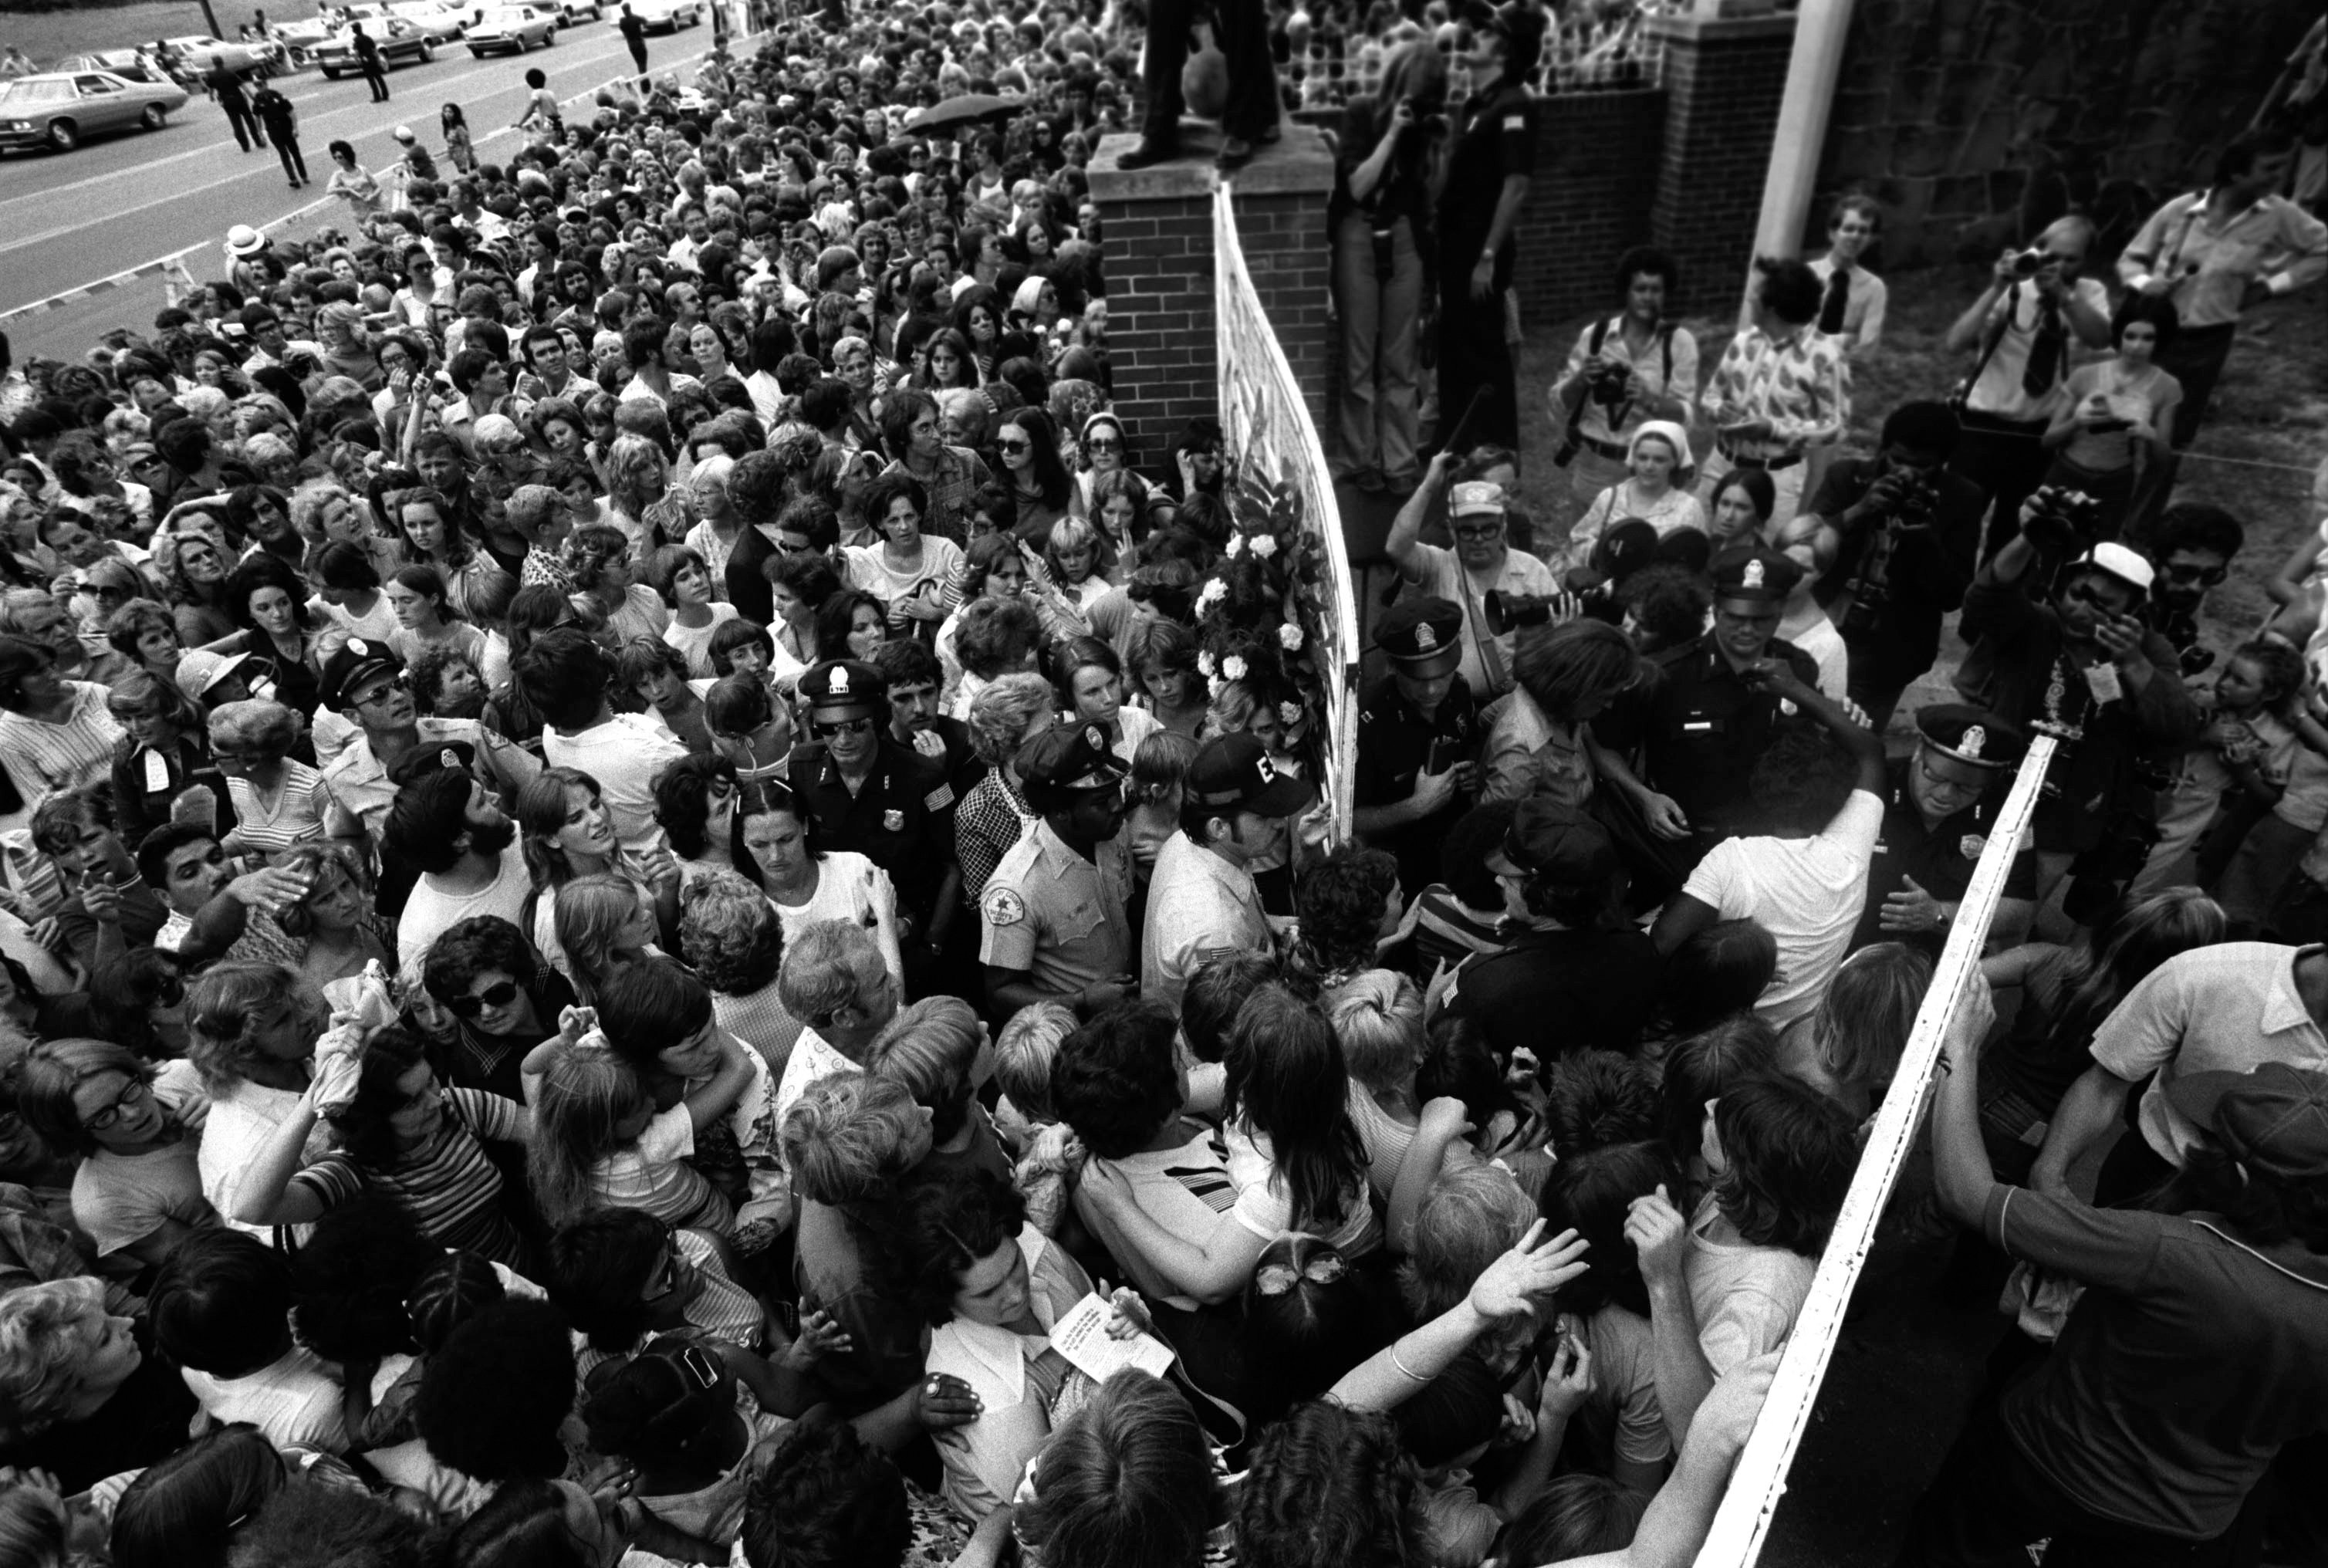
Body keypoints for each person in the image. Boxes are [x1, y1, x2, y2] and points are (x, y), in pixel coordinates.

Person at [1912, 981, 2328, 1565]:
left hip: (2048, 1474)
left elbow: (1967, 1195)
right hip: (2187, 1529)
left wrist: (1963, 1048)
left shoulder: (2172, 1253)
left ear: (2236, 1180)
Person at [1955, 533, 2198, 924]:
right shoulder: (2036, 623)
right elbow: (1982, 602)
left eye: (2104, 605)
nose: (2083, 610)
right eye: (2078, 594)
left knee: (2010, 919)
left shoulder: (2149, 650)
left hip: (2069, 817)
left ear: (2134, 612)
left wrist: (2133, 663)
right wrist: (2027, 536)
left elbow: (2177, 726)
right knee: (1952, 892)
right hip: (1989, 791)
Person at [1653, 651, 1889, 1032]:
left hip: (1722, 1033)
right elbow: (1871, 750)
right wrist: (1793, 687)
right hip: (1799, 1032)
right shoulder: (1852, 851)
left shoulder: (1733, 860)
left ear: (1761, 788)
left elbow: (1662, 944)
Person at [2116, 129, 2326, 450]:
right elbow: (2130, 260)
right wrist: (2147, 284)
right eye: (2269, 168)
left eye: (2281, 167)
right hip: (2153, 335)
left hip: (2208, 341)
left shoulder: (2278, 215)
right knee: (2125, 424)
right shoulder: (2181, 210)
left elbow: (2322, 249)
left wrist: (2271, 287)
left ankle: (2152, 497)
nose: (2277, 177)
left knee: (2173, 436)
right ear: (2237, 173)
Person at [1805, 400, 1985, 729]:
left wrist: (1925, 541)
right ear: (1883, 449)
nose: (1905, 472)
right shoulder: (1847, 478)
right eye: (1897, 460)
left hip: (1889, 649)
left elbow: (1954, 595)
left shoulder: (1962, 499)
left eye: (1921, 465)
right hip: (1822, 627)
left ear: (1943, 463)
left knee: (1854, 738)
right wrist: (1858, 511)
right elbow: (1802, 546)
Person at [1941, 216, 2112, 559]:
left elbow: (2101, 337)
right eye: (2053, 255)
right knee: (1957, 519)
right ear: (2039, 249)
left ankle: (1988, 601)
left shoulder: (2089, 293)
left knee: (2014, 527)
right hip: (1983, 423)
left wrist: (2064, 297)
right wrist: (1996, 287)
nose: (2060, 265)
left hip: (2039, 431)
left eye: (2071, 259)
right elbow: (1955, 342)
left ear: (2086, 261)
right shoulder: (2014, 286)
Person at [1443, 796, 1661, 1062]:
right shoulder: (1641, 952)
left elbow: (1445, 1058)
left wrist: (1432, 1002)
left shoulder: (1481, 984)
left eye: (1510, 878)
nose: (1499, 880)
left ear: (1541, 896)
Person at [1637, 546, 1823, 858]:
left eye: (1761, 619)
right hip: (1683, 845)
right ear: (1718, 609)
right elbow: (1605, 744)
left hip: (1767, 847)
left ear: (1779, 615)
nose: (1748, 629)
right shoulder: (1668, 673)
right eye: (1737, 617)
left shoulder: (1799, 669)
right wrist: (1643, 797)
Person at [1330, 39, 1446, 494]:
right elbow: (1357, 187)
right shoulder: (1362, 112)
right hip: (1358, 234)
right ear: (1397, 83)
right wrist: (1393, 134)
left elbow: (1432, 198)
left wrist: (1439, 148)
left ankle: (1399, 461)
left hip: (1404, 238)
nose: (1417, 104)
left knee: (1401, 361)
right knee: (1358, 361)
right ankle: (1360, 458)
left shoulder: (1430, 127)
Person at [1434, 2, 1542, 452]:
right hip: (1455, 248)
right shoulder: (1479, 103)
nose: (1476, 35)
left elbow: (1516, 186)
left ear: (1504, 51)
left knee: (1484, 353)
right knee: (1454, 350)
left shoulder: (1515, 104)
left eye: (1488, 32)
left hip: (1480, 253)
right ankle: (1454, 445)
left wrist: (1487, 258)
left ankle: (1491, 447)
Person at [1140, 731, 1313, 1012]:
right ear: (1219, 827)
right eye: (1263, 816)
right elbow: (1232, 1027)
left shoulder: (1191, 842)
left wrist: (1270, 924)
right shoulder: (1214, 928)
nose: (1281, 824)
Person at [979, 719, 1137, 1019]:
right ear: (1061, 811)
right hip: (1074, 1031)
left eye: (1116, 792)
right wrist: (1081, 1001)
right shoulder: (1017, 888)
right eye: (1102, 802)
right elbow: (1000, 992)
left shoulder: (1114, 832)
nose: (1117, 806)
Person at [1850, 704, 2037, 955]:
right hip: (1852, 950)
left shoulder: (2009, 813)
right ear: (1918, 751)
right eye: (1936, 776)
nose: (1945, 794)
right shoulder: (1869, 785)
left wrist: (1940, 914)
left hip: (1940, 958)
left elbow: (2020, 911)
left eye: (1966, 787)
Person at [1384, 454, 1560, 699]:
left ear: (1503, 527)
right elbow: (1397, 547)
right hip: (1447, 705)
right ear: (1452, 531)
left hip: (1512, 703)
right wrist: (1428, 487)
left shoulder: (1531, 571)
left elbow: (1556, 641)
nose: (1478, 539)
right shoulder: (1438, 565)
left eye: (1488, 528)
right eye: (1467, 530)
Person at [1695, 255, 1850, 532]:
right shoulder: (1743, 343)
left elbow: (1835, 426)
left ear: (1773, 307)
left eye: (1757, 293)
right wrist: (1720, 410)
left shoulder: (1826, 356)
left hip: (1777, 478)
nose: (1751, 298)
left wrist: (1774, 429)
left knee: (1760, 565)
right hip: (1720, 468)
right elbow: (1710, 397)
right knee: (1696, 544)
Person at [1551, 247, 1701, 522]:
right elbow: (1559, 405)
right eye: (1640, 289)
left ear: (1666, 294)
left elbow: (1686, 417)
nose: (1648, 297)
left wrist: (1650, 399)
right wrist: (1581, 379)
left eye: (1656, 290)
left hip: (1649, 467)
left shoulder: (1679, 343)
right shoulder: (1596, 336)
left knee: (1639, 546)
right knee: (1586, 547)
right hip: (1594, 465)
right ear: (1626, 292)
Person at [1353, 597, 1481, 897]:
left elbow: (1468, 744)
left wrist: (1468, 774)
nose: (1433, 689)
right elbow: (1350, 817)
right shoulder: (1368, 722)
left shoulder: (1459, 691)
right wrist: (1416, 807)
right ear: (1392, 666)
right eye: (1417, 678)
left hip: (1455, 847)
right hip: (1398, 869)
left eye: (1441, 675)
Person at [1807, 194, 1888, 355]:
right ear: (1832, 233)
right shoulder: (1807, 275)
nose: (1855, 236)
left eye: (1863, 231)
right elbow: (1790, 330)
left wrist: (1815, 338)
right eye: (1849, 229)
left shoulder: (1874, 288)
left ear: (1870, 240)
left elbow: (1867, 347)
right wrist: (1848, 338)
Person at [248, 79, 306, 188]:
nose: (259, 88)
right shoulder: (258, 99)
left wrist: (295, 128)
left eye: (261, 85)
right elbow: (257, 116)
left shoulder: (277, 95)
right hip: (273, 129)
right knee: (283, 153)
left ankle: (303, 175)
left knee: (295, 152)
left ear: (266, 84)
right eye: (257, 86)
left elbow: (291, 112)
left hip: (286, 127)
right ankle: (293, 179)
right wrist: (260, 132)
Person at [350, 21, 389, 100]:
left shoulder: (356, 40)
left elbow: (357, 52)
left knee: (371, 80)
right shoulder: (368, 37)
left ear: (354, 30)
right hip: (373, 59)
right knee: (379, 78)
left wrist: (357, 61)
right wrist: (378, 59)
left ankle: (377, 97)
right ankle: (385, 95)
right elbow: (374, 50)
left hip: (365, 61)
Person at [618, 2, 648, 79]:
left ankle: (644, 82)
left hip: (631, 44)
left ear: (623, 11)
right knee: (643, 64)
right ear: (630, 9)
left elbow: (623, 30)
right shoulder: (636, 18)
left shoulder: (622, 21)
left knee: (639, 63)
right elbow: (645, 21)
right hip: (639, 42)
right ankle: (645, 83)